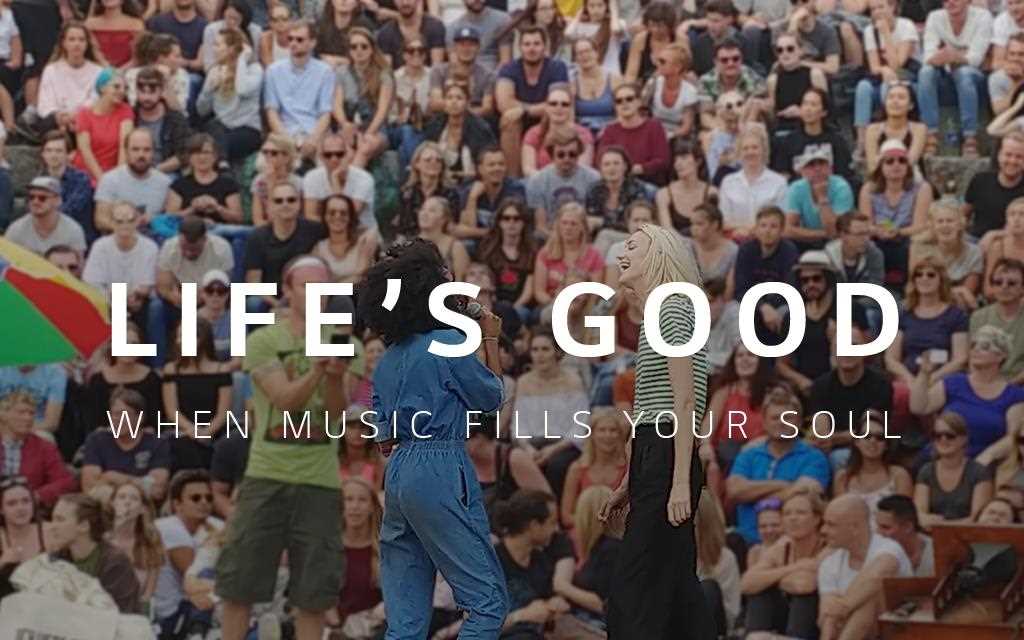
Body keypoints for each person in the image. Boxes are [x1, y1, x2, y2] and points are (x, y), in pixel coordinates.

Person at [356, 238, 509, 637]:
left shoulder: (388, 359)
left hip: (399, 472)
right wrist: (489, 337)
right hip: (440, 465)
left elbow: (384, 440)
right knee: (487, 602)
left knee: (405, 619)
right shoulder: (450, 343)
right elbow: (491, 399)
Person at [216, 255, 351, 640]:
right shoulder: (263, 340)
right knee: (238, 584)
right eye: (306, 286)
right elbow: (284, 400)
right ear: (286, 291)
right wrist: (318, 369)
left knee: (314, 594)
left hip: (321, 480)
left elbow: (335, 417)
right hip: (266, 474)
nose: (315, 295)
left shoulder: (345, 340)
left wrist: (334, 377)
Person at [598, 223, 716, 639]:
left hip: (669, 453)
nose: (621, 252)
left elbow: (684, 403)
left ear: (659, 256)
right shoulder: (662, 312)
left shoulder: (673, 306)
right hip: (657, 452)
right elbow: (655, 404)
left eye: (633, 246)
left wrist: (679, 482)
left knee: (636, 586)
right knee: (672, 583)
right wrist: (630, 482)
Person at [726, 383, 832, 544]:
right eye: (775, 418)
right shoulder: (749, 454)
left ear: (798, 422)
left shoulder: (814, 458)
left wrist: (751, 493)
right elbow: (734, 490)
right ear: (764, 422)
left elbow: (804, 496)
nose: (781, 422)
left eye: (788, 417)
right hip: (745, 540)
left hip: (792, 542)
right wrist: (784, 485)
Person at [817, 494, 913, 640]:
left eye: (831, 524)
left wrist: (844, 607)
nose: (823, 530)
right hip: (849, 632)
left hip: (899, 632)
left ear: (855, 527)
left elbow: (876, 577)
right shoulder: (829, 563)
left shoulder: (890, 549)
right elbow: (828, 616)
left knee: (870, 595)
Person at [741, 489, 827, 639]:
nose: (793, 518)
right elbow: (747, 583)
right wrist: (795, 567)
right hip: (786, 617)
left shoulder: (827, 547)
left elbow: (804, 585)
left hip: (816, 620)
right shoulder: (783, 546)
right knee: (760, 592)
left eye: (800, 513)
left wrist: (771, 578)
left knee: (803, 596)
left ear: (816, 518)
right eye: (787, 513)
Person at [916, 0, 992, 157]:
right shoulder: (935, 17)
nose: (950, 2)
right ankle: (931, 134)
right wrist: (958, 55)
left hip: (975, 78)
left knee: (963, 74)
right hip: (945, 72)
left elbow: (976, 59)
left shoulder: (983, 17)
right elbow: (928, 57)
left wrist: (950, 55)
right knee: (925, 73)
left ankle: (970, 137)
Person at [153, 470, 223, 637]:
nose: (204, 502)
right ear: (177, 504)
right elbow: (193, 579)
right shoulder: (168, 528)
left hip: (204, 604)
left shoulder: (214, 526)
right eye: (196, 498)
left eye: (209, 497)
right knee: (206, 574)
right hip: (169, 613)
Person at [495, 25, 569, 176]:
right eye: (527, 44)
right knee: (509, 119)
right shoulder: (509, 68)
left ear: (544, 46)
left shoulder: (557, 67)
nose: (532, 49)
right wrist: (536, 108)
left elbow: (557, 104)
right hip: (519, 120)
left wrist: (523, 109)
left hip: (548, 119)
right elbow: (504, 104)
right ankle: (513, 181)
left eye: (536, 44)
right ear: (520, 48)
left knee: (558, 113)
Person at [49, 494, 141, 613]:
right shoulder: (55, 559)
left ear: (84, 526)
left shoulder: (116, 564)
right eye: (53, 519)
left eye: (60, 519)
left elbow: (118, 616)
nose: (52, 526)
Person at [161, 319, 233, 472]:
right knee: (184, 445)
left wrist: (206, 432)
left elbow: (223, 413)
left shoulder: (221, 370)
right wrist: (192, 431)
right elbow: (172, 410)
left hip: (214, 430)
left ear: (202, 339)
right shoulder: (172, 369)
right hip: (182, 429)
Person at [884, 256, 968, 385]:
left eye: (931, 275)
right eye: (919, 275)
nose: (924, 278)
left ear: (941, 280)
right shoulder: (903, 314)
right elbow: (891, 359)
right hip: (908, 380)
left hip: (941, 381)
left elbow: (960, 359)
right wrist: (910, 380)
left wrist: (930, 379)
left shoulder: (956, 315)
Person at [858, 139, 932, 287]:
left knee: (913, 246)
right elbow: (866, 223)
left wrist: (897, 231)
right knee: (868, 246)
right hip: (877, 236)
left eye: (902, 161)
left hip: (907, 237)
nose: (896, 165)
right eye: (889, 161)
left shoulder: (922, 188)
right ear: (881, 166)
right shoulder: (868, 189)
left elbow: (920, 225)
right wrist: (879, 231)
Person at [81, 388, 172, 504]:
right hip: (105, 507)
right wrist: (140, 482)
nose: (117, 420)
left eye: (124, 414)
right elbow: (89, 488)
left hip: (143, 507)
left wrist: (112, 477)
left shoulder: (157, 443)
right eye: (114, 414)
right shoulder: (96, 440)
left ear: (140, 418)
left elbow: (157, 490)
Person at [263, 19, 335, 162]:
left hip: (315, 132)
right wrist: (287, 141)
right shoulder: (273, 71)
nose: (293, 43)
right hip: (284, 133)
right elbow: (272, 112)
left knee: (327, 165)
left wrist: (313, 140)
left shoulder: (325, 72)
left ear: (313, 42)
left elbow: (325, 113)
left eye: (300, 39)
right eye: (290, 39)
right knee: (265, 166)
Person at [325, 478, 385, 634]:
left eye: (362, 500)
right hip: (333, 630)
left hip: (374, 629)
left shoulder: (383, 551)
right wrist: (336, 626)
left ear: (372, 506)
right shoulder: (328, 547)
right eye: (348, 499)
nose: (355, 506)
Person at [914, 411, 994, 527]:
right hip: (931, 536)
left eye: (949, 435)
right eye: (937, 435)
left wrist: (941, 525)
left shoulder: (979, 472)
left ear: (964, 439)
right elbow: (920, 515)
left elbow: (977, 519)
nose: (943, 439)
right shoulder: (926, 471)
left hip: (967, 537)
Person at [244, 182, 326, 295]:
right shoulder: (258, 237)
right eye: (278, 201)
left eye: (291, 200)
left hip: (305, 294)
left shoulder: (315, 230)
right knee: (253, 303)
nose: (285, 204)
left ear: (299, 203)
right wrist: (277, 306)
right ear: (269, 205)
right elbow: (253, 283)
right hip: (270, 295)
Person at [834, 411, 913, 526]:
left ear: (886, 445)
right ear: (857, 442)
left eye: (880, 437)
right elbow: (839, 519)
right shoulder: (843, 478)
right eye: (866, 436)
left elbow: (903, 521)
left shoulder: (899, 475)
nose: (873, 441)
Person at [196, 26, 263, 162]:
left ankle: (221, 162)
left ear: (231, 49)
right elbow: (201, 111)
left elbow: (242, 90)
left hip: (247, 129)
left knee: (218, 142)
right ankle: (223, 164)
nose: (214, 49)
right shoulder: (215, 71)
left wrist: (242, 59)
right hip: (221, 127)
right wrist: (209, 89)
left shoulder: (254, 70)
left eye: (218, 45)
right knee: (212, 128)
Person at [0, 390, 76, 507]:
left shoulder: (44, 447)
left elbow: (65, 482)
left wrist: (37, 496)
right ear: (3, 415)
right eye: (21, 412)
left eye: (31, 413)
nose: (28, 418)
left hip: (28, 510)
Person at [332, 26, 393, 168]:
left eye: (364, 46)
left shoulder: (383, 74)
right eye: (354, 47)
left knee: (364, 148)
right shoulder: (341, 72)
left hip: (376, 128)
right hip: (349, 125)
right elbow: (337, 104)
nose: (359, 50)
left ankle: (353, 188)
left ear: (372, 49)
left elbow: (382, 111)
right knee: (342, 150)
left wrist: (369, 132)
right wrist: (345, 125)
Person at [93, 128, 173, 234]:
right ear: (126, 151)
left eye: (147, 150)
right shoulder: (109, 180)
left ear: (153, 152)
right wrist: (127, 227)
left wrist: (153, 221)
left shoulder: (165, 182)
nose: (141, 155)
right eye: (135, 149)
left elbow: (171, 220)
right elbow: (100, 220)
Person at [525, 126, 600, 235]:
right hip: (550, 237)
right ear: (552, 155)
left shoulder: (593, 179)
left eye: (572, 154)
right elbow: (541, 226)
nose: (567, 159)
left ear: (579, 154)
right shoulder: (537, 181)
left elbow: (594, 220)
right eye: (561, 155)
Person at [909, 200, 983, 310]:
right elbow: (916, 285)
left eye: (950, 221)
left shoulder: (974, 252)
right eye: (940, 221)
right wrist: (958, 290)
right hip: (924, 301)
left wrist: (959, 292)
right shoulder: (919, 248)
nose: (945, 225)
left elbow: (968, 293)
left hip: (959, 305)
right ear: (932, 226)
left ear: (960, 225)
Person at [560, 408, 628, 528]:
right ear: (592, 434)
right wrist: (593, 524)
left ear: (620, 435)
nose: (608, 435)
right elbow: (566, 516)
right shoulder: (577, 469)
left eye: (613, 430)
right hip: (583, 531)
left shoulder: (627, 469)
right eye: (602, 430)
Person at [34, 22, 104, 137]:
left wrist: (75, 116)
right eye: (72, 39)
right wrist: (60, 118)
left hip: (86, 121)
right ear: (64, 43)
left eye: (81, 40)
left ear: (87, 44)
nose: (77, 44)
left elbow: (95, 101)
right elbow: (44, 104)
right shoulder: (51, 70)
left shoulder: (98, 71)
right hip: (57, 122)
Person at [718, 124, 787, 238]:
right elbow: (723, 221)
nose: (750, 152)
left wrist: (755, 231)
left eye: (755, 147)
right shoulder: (728, 182)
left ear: (764, 150)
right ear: (739, 153)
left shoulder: (779, 182)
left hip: (769, 240)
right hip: (736, 239)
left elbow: (781, 221)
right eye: (745, 148)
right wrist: (743, 230)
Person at [596, 82, 671, 186]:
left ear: (639, 102)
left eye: (629, 99)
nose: (624, 103)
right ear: (615, 106)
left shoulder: (654, 126)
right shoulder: (610, 130)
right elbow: (601, 159)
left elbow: (663, 160)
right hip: (617, 182)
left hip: (647, 182)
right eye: (619, 101)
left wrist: (640, 168)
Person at [82, 201, 159, 302]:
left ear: (137, 221)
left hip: (140, 301)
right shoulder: (100, 246)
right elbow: (92, 282)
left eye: (130, 221)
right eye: (119, 221)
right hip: (106, 300)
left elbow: (146, 285)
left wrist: (130, 298)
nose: (125, 225)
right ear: (111, 222)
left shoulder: (150, 247)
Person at [421, 80, 496, 182]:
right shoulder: (434, 125)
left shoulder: (480, 129)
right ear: (444, 101)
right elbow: (424, 154)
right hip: (438, 181)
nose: (454, 102)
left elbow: (488, 165)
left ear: (467, 103)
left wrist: (455, 175)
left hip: (472, 182)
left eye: (459, 98)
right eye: (449, 98)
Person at [72, 68, 134, 185]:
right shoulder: (83, 114)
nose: (122, 91)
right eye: (116, 87)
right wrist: (102, 180)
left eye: (125, 88)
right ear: (102, 88)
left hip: (113, 172)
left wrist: (118, 179)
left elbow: (124, 146)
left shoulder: (125, 110)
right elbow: (85, 150)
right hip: (86, 172)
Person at [106, 482, 164, 605]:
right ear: (112, 503)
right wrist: (118, 525)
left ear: (142, 508)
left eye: (134, 498)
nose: (127, 502)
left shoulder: (150, 540)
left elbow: (148, 595)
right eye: (122, 497)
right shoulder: (101, 539)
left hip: (133, 612)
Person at [585, 146, 650, 253]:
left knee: (605, 235)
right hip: (599, 240)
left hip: (633, 237)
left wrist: (602, 222)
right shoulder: (594, 190)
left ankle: (592, 268)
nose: (611, 168)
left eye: (616, 163)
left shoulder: (637, 189)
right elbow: (590, 220)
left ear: (625, 166)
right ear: (600, 168)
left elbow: (637, 223)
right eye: (607, 164)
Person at [521, 83, 593, 177]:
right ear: (546, 107)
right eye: (553, 104)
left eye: (564, 104)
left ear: (571, 108)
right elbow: (528, 169)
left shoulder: (583, 134)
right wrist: (548, 182)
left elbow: (583, 168)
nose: (559, 108)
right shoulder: (533, 133)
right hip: (542, 183)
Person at [4, 176, 86, 257]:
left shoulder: (73, 230)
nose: (35, 202)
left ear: (58, 201)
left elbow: (77, 268)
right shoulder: (16, 230)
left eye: (42, 198)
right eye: (31, 197)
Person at [455, 146, 526, 241]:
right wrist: (472, 198)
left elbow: (514, 226)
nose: (497, 168)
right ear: (480, 169)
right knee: (468, 244)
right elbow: (464, 229)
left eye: (501, 164)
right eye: (491, 165)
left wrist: (482, 232)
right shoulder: (468, 189)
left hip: (506, 242)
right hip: (479, 243)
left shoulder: (515, 189)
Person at [964, 132, 1024, 242]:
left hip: (1015, 243)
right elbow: (963, 215)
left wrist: (994, 235)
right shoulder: (980, 180)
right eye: (1008, 155)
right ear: (999, 155)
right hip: (976, 241)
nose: (1012, 161)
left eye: (1019, 157)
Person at [39, 130, 96, 244]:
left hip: (77, 241)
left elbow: (69, 212)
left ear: (71, 155)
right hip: (47, 238)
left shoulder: (81, 180)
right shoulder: (38, 181)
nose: (53, 155)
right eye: (49, 150)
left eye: (58, 151)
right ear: (43, 154)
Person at [974, 258, 1024, 382]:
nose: (1004, 287)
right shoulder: (978, 317)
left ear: (1022, 288)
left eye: (1011, 283)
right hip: (983, 383)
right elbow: (973, 358)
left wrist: (1006, 388)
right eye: (998, 282)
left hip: (1018, 386)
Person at [863, 80, 927, 176]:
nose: (895, 101)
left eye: (901, 97)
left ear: (911, 105)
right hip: (881, 180)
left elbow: (910, 162)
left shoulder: (919, 129)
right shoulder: (872, 129)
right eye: (891, 97)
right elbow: (872, 166)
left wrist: (885, 159)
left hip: (912, 180)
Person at [656, 137, 716, 238]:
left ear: (698, 161)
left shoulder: (711, 192)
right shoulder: (664, 194)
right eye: (676, 159)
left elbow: (713, 229)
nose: (678, 163)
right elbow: (667, 230)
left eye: (684, 157)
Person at [312, 193, 377, 283]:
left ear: (350, 217)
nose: (337, 216)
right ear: (324, 216)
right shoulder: (319, 248)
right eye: (332, 213)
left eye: (343, 213)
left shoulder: (364, 242)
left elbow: (361, 276)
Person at [875, 494, 935, 576]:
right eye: (878, 526)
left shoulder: (937, 555)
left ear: (908, 527)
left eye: (885, 527)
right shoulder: (876, 554)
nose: (878, 533)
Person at [375, 0, 445, 69]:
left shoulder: (434, 26)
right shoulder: (385, 33)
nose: (405, 2)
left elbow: (436, 69)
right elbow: (388, 72)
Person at [0, 476, 46, 574]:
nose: (20, 508)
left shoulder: (50, 531)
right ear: (1, 509)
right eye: (12, 503)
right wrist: (2, 562)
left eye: (25, 501)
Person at [572, 38, 618, 136]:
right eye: (580, 53)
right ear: (575, 59)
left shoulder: (614, 80)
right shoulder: (572, 83)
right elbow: (569, 119)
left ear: (597, 53)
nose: (584, 56)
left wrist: (609, 130)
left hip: (610, 131)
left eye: (588, 51)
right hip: (582, 134)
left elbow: (622, 115)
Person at [417, 196, 469, 280]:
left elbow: (462, 283)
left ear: (443, 219)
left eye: (432, 211)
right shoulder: (407, 245)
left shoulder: (456, 247)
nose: (424, 213)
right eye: (422, 209)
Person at [85, 0, 145, 68]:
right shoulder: (90, 24)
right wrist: (108, 69)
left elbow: (138, 55)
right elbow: (95, 51)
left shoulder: (136, 24)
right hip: (99, 70)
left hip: (128, 71)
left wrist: (121, 71)